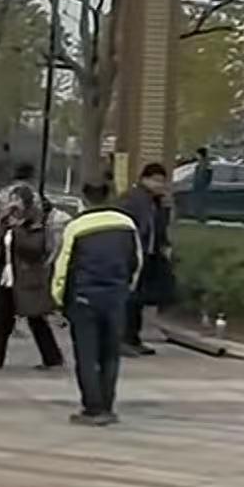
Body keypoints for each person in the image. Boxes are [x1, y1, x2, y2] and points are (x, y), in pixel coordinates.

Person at [51, 178, 142, 426]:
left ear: (84, 198)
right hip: (116, 297)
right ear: (110, 194)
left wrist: (58, 298)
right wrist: (126, 289)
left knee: (87, 355)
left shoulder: (76, 226)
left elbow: (63, 266)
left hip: (84, 299)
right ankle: (108, 405)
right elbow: (136, 262)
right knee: (110, 354)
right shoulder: (126, 224)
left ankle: (92, 408)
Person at [0, 181, 64, 370]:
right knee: (2, 319)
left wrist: (17, 230)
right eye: (12, 199)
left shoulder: (35, 223)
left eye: (17, 199)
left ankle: (52, 358)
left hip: (27, 277)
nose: (13, 203)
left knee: (36, 318)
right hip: (8, 276)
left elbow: (34, 249)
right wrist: (4, 217)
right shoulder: (8, 220)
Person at [0, 161, 41, 368]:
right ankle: (51, 355)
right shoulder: (36, 196)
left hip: (6, 257)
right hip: (27, 261)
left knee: (5, 309)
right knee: (33, 311)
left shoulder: (1, 196)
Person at [120, 161, 174, 355]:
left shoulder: (157, 202)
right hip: (134, 254)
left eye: (162, 181)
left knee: (140, 299)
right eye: (155, 180)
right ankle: (123, 338)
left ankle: (133, 338)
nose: (159, 185)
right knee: (131, 298)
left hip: (150, 255)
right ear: (144, 179)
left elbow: (159, 228)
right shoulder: (133, 198)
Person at [188, 144, 213, 219]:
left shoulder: (206, 163)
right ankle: (198, 215)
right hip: (199, 184)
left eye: (197, 154)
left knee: (201, 201)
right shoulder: (200, 162)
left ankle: (201, 216)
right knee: (198, 200)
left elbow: (208, 175)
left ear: (200, 154)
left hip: (201, 185)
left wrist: (204, 182)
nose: (196, 156)